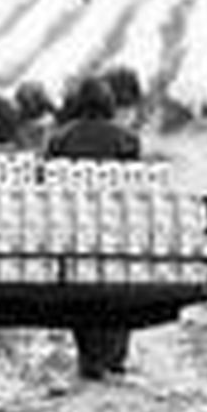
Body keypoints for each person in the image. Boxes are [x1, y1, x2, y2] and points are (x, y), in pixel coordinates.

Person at [45, 75, 142, 381]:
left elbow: (47, 184)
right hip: (115, 224)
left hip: (75, 224)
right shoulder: (126, 139)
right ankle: (115, 359)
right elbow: (136, 185)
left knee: (81, 290)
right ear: (109, 104)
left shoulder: (60, 139)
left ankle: (90, 358)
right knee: (119, 289)